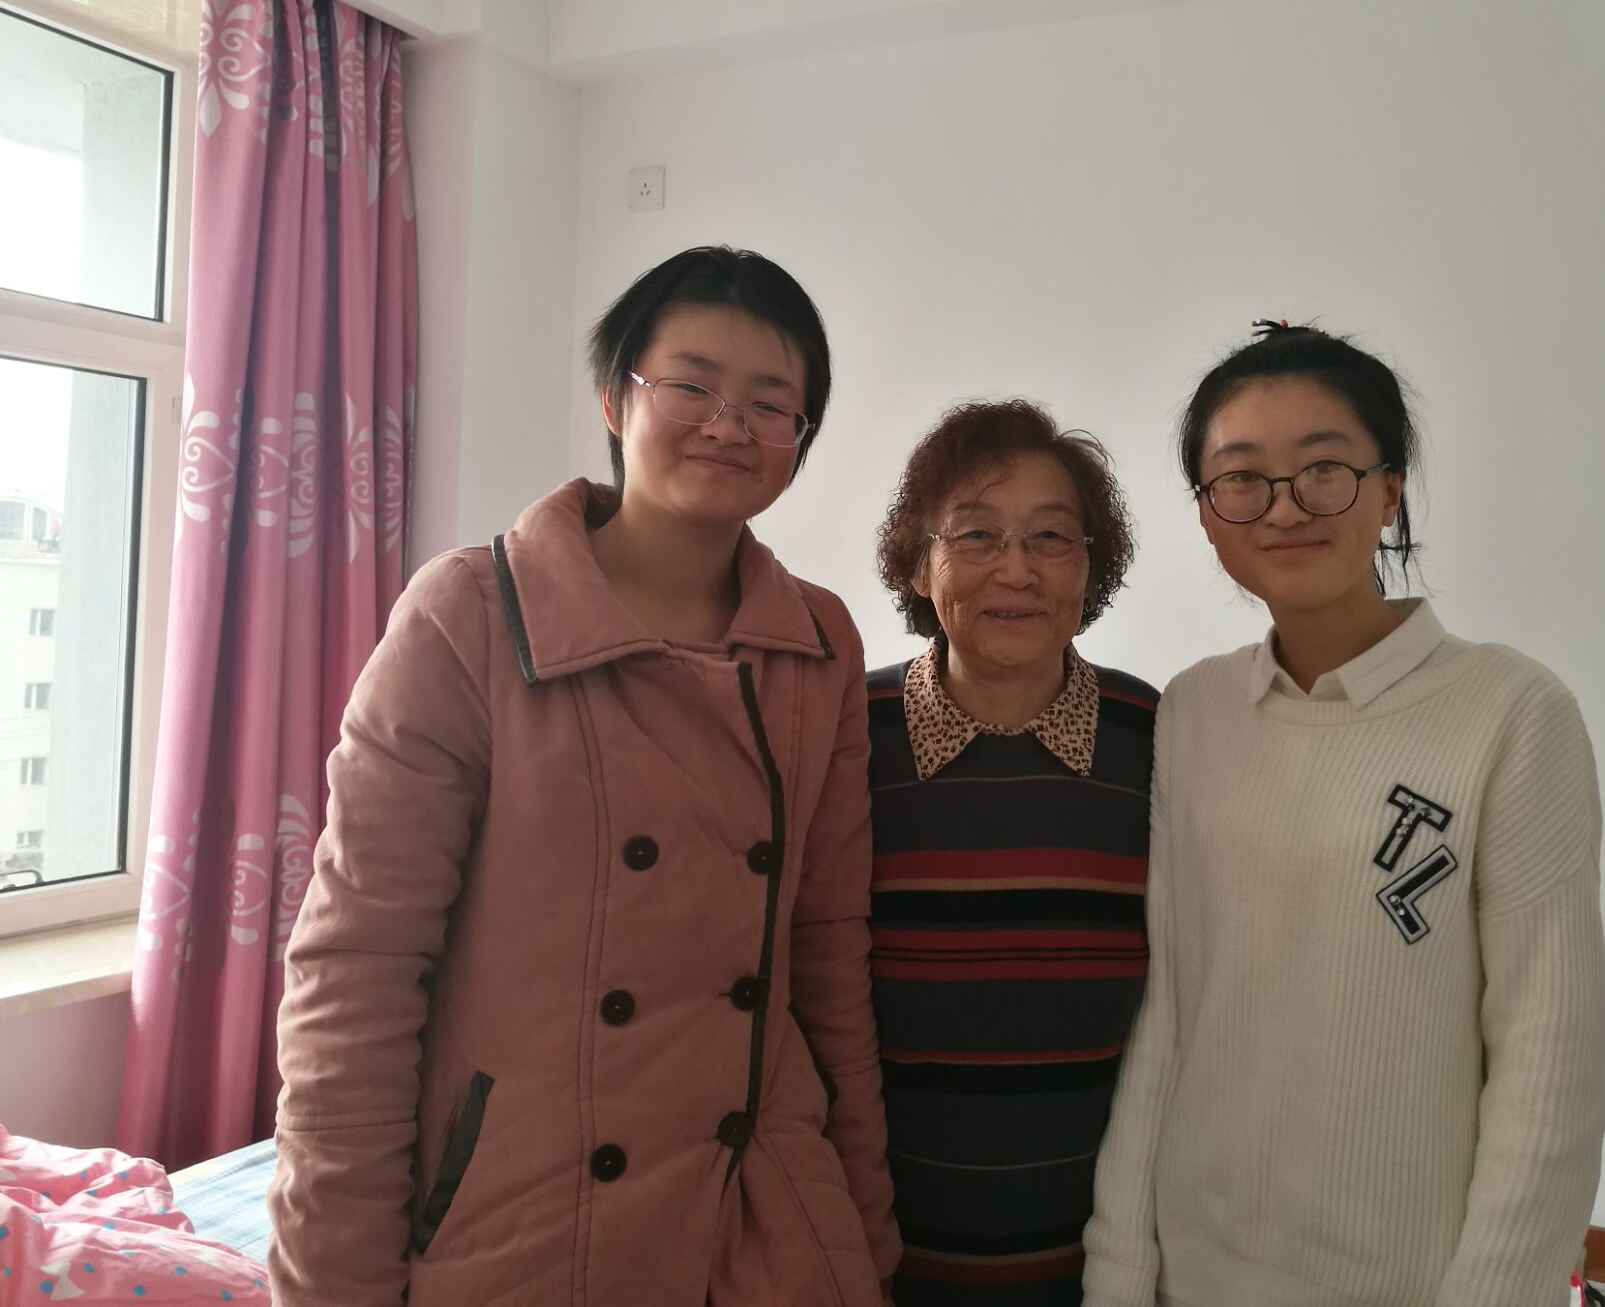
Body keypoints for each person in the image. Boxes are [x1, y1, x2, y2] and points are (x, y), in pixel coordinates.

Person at [268, 246, 900, 1307]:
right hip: (531, 1215)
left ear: (800, 438)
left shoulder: (818, 640)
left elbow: (828, 951)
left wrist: (861, 1223)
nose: (728, 425)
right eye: (691, 385)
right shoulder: (468, 614)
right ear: (616, 397)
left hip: (765, 1216)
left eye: (770, 404)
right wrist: (335, 1281)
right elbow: (357, 968)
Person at [1082, 320, 1605, 1307]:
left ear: (1390, 488)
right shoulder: (1195, 709)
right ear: (1207, 513)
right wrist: (1119, 1274)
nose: (1284, 507)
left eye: (1324, 469)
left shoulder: (1511, 712)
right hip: (1195, 1271)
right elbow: (1169, 1017)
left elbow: (1550, 1066)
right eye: (1242, 478)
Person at [866, 400, 1158, 1305]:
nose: (1017, 570)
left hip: (1106, 1268)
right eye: (977, 535)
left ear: (1090, 565)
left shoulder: (1158, 739)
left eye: (1051, 538)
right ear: (920, 562)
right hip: (870, 1262)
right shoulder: (843, 735)